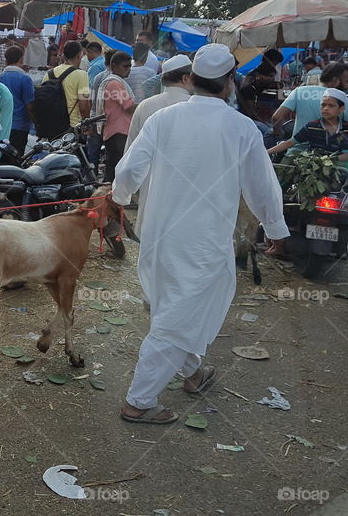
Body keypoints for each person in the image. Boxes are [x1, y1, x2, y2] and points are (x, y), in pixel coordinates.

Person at [112, 43, 288, 424]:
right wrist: (275, 229)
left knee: (174, 309)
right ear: (228, 83)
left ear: (192, 80)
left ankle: (193, 373)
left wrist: (119, 197)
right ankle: (139, 402)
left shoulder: (163, 119)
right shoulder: (241, 128)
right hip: (202, 242)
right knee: (177, 316)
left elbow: (128, 171)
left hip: (157, 236)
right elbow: (262, 187)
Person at [124, 54, 193, 235]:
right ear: (186, 78)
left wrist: (126, 191)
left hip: (150, 187)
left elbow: (130, 155)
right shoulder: (196, 108)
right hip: (188, 192)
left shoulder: (146, 105)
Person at [268, 89, 348, 177]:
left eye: (331, 106)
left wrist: (321, 160)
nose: (326, 109)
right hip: (312, 164)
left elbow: (346, 156)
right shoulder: (312, 126)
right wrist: (267, 152)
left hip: (337, 163)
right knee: (283, 176)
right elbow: (290, 142)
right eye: (323, 105)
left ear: (341, 109)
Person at [273, 61, 348, 136]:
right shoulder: (345, 101)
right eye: (347, 81)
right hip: (332, 150)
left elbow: (276, 117)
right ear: (335, 81)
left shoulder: (300, 92)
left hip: (297, 149)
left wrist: (279, 133)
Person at [97, 50, 135, 182]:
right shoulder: (114, 83)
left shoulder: (116, 82)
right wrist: (147, 106)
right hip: (118, 133)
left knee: (114, 172)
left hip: (116, 133)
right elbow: (129, 106)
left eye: (130, 66)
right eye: (125, 66)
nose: (128, 69)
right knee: (116, 175)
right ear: (113, 66)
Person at [44, 40, 92, 128]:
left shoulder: (49, 74)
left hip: (50, 125)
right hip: (72, 126)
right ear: (79, 55)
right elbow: (84, 106)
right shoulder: (82, 75)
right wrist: (87, 125)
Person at [0, 45, 34, 160]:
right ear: (21, 59)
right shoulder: (25, 79)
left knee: (1, 159)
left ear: (6, 60)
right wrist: (36, 123)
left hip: (1, 125)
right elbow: (30, 106)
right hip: (20, 126)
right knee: (16, 159)